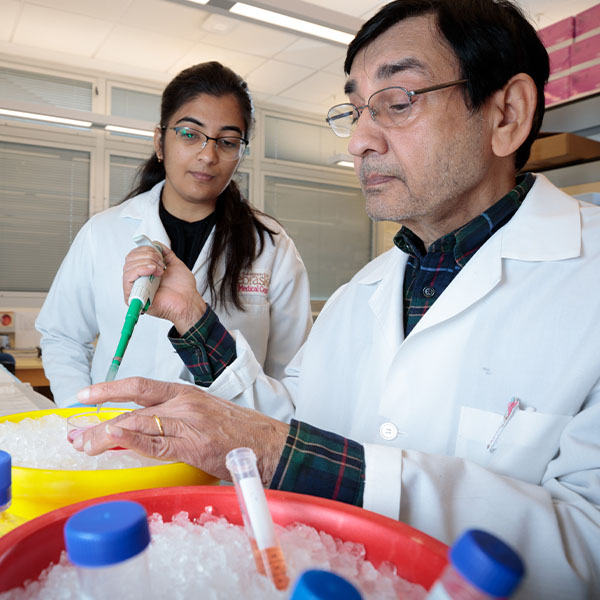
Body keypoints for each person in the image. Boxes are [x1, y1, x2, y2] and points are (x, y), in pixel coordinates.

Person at [72, 1, 600, 597]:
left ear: (507, 114)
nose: (359, 142)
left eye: (397, 102)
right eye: (355, 110)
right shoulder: (365, 291)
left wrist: (289, 455)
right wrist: (195, 321)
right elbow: (294, 422)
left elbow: (588, 548)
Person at [35, 61, 312, 409]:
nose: (208, 155)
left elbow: (290, 373)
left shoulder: (271, 247)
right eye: (189, 134)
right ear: (160, 141)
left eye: (227, 142)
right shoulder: (103, 232)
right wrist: (81, 415)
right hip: (119, 443)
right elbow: (63, 337)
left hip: (225, 452)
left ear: (241, 153)